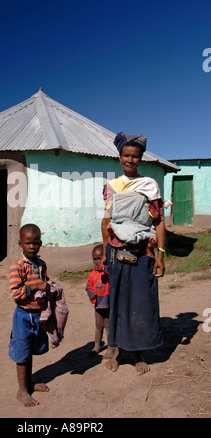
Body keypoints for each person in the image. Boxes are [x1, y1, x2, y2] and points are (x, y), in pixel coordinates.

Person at [101, 132, 165, 375]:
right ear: (119, 158)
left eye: (135, 156)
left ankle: (138, 352)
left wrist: (160, 254)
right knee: (117, 300)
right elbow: (107, 220)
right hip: (117, 252)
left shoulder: (149, 185)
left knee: (141, 300)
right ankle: (116, 348)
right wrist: (106, 249)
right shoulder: (112, 187)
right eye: (126, 155)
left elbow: (158, 222)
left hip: (143, 253)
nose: (130, 159)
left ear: (140, 159)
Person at [8, 223, 50, 407]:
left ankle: (29, 382)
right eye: (28, 243)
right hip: (23, 316)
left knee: (31, 350)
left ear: (40, 243)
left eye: (36, 242)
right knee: (22, 352)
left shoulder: (41, 264)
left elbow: (45, 283)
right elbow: (15, 293)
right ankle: (22, 390)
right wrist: (36, 286)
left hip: (38, 315)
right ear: (20, 244)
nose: (32, 246)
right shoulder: (17, 267)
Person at [85, 244, 113, 359]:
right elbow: (88, 287)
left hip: (109, 303)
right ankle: (97, 346)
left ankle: (111, 348)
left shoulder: (109, 272)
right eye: (95, 259)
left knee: (108, 325)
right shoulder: (92, 274)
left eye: (100, 258)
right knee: (98, 324)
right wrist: (93, 296)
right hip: (98, 303)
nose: (97, 262)